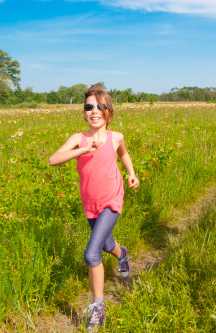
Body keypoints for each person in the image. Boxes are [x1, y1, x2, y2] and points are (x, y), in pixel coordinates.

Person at [49, 85, 140, 330]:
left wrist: (132, 174)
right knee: (107, 244)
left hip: (112, 199)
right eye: (89, 107)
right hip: (90, 203)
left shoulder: (116, 137)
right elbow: (53, 159)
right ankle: (122, 254)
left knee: (91, 254)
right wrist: (83, 150)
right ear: (84, 112)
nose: (94, 111)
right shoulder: (79, 138)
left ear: (108, 112)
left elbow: (123, 153)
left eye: (100, 107)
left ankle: (98, 308)